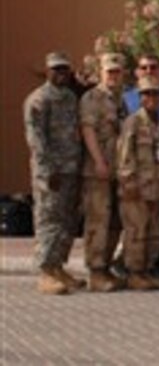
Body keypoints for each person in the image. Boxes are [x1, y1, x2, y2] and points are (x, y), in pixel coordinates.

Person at [25, 52, 83, 295]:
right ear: (47, 72)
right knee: (48, 220)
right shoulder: (38, 99)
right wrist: (48, 170)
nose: (60, 74)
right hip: (51, 173)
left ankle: (58, 266)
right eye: (56, 69)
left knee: (67, 221)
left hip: (71, 168)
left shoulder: (70, 97)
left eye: (64, 69)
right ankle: (46, 271)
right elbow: (36, 139)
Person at [79, 53, 127, 292]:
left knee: (115, 222)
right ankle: (95, 271)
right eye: (109, 72)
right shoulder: (92, 98)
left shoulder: (121, 100)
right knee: (98, 220)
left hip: (118, 171)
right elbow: (88, 131)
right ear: (101, 72)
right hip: (98, 170)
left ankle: (106, 266)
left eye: (117, 72)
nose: (113, 76)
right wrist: (99, 162)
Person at [116, 76, 159, 290]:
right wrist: (129, 183)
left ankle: (146, 270)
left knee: (153, 232)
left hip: (157, 187)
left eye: (155, 94)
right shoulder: (133, 122)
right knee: (136, 232)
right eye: (146, 94)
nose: (151, 98)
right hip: (137, 189)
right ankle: (134, 272)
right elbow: (125, 156)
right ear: (140, 97)